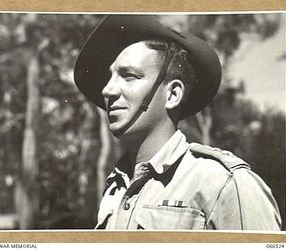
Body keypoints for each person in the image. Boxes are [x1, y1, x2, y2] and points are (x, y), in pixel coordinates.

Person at [74, 15, 281, 230]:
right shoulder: (115, 189)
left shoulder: (223, 183)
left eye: (129, 76)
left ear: (173, 94)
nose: (107, 90)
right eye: (110, 78)